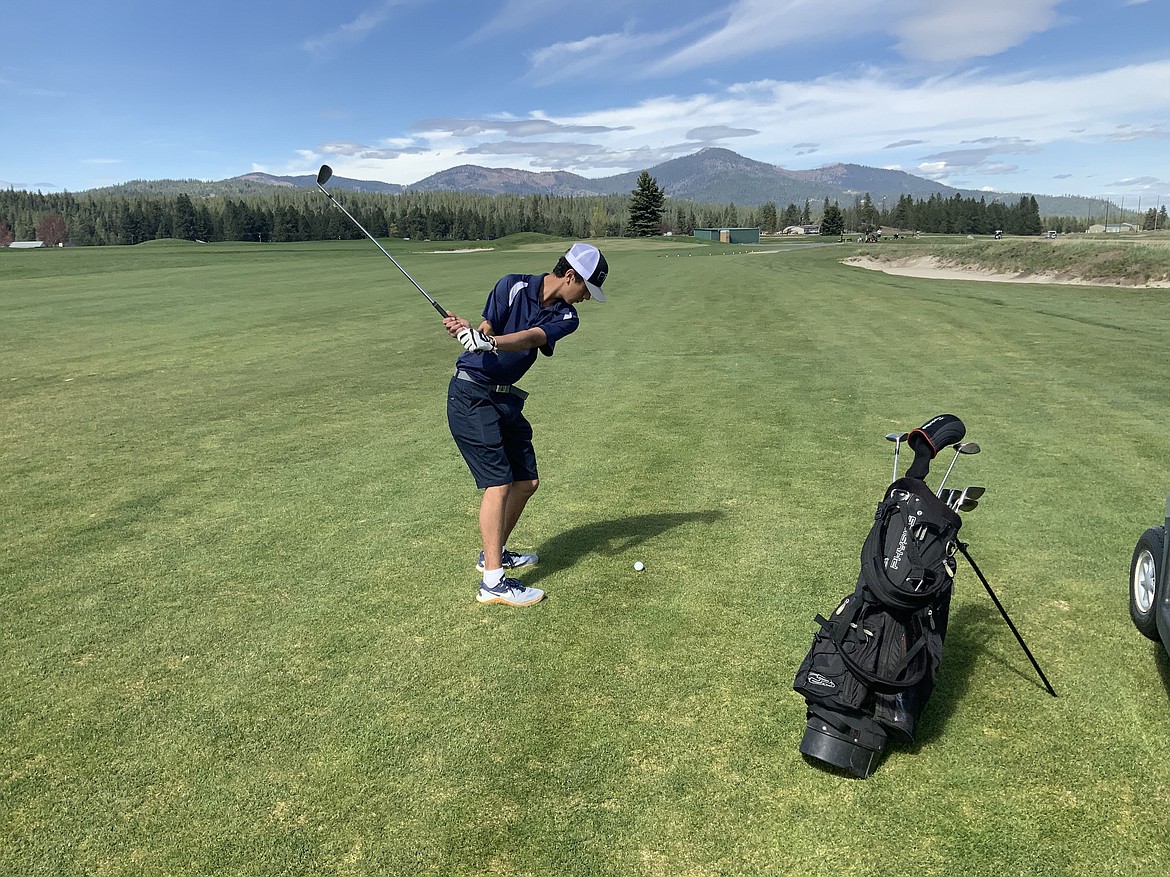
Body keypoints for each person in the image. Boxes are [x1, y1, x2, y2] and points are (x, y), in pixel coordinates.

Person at [442, 242, 609, 607]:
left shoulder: (567, 317)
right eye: (585, 289)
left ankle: (493, 553)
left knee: (526, 481)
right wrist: (473, 333)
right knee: (498, 483)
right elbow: (485, 329)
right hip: (472, 395)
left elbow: (532, 337)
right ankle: (493, 583)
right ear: (570, 276)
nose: (584, 298)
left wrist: (489, 341)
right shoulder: (511, 285)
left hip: (504, 399)